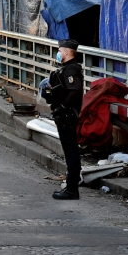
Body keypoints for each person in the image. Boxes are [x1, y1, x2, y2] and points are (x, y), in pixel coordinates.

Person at [47, 39, 84, 200]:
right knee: (70, 151)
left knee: (71, 152)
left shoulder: (71, 70)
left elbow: (75, 91)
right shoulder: (68, 69)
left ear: (66, 52)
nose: (58, 53)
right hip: (65, 116)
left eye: (60, 50)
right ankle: (71, 187)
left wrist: (62, 107)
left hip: (67, 117)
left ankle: (71, 189)